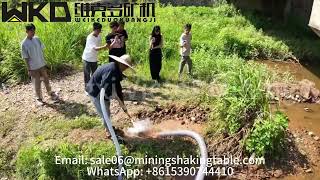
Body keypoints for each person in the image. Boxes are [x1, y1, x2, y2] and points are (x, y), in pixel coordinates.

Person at [86, 54, 133, 137]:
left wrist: (122, 102)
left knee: (106, 109)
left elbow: (118, 88)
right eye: (126, 66)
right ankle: (109, 131)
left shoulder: (116, 69)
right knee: (105, 112)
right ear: (122, 64)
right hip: (95, 91)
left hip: (101, 92)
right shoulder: (111, 70)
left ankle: (108, 127)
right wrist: (111, 94)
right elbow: (104, 85)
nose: (127, 68)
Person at [21, 23, 58, 106]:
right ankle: (39, 98)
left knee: (46, 80)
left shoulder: (37, 39)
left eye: (34, 31)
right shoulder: (24, 44)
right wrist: (29, 69)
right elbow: (25, 58)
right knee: (37, 83)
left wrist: (45, 62)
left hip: (41, 65)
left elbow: (42, 51)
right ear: (26, 31)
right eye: (31, 31)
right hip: (33, 67)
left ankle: (51, 93)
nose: (33, 32)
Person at [82, 22, 107, 93]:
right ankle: (87, 89)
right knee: (87, 75)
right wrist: (104, 47)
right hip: (87, 58)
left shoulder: (99, 36)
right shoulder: (90, 37)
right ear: (94, 30)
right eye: (98, 30)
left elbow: (99, 45)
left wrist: (105, 46)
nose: (99, 32)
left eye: (100, 30)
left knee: (95, 74)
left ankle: (94, 88)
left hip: (94, 59)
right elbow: (95, 48)